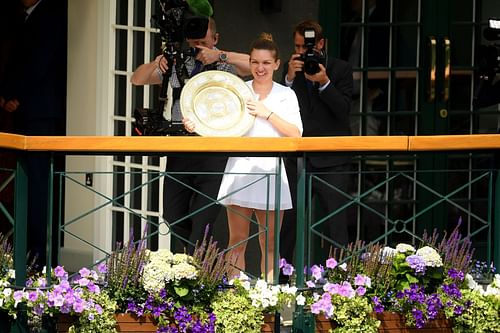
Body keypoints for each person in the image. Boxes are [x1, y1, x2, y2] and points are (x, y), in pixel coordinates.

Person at [184, 33, 303, 280]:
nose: (260, 68)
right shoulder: (238, 90)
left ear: (277, 64)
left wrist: (266, 112)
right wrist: (195, 124)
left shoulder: (285, 94)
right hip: (240, 167)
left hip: (271, 170)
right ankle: (234, 300)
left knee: (269, 242)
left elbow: (295, 134)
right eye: (256, 62)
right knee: (237, 240)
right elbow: (216, 124)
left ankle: (269, 300)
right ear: (249, 63)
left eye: (266, 63)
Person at [131, 16, 250, 254]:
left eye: (204, 43)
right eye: (195, 43)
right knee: (173, 215)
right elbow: (137, 79)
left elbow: (254, 65)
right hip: (181, 147)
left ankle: (195, 273)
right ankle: (184, 267)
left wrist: (219, 55)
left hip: (214, 150)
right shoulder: (180, 63)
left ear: (215, 39)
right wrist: (158, 62)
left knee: (203, 218)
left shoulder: (225, 62)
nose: (199, 49)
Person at [280, 20, 353, 268]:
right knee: (287, 223)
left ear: (320, 44)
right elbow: (281, 107)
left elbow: (343, 111)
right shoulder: (293, 71)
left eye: (307, 46)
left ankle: (340, 283)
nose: (302, 52)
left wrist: (324, 82)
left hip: (333, 160)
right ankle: (283, 280)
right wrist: (289, 78)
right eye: (298, 46)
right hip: (297, 158)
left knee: (336, 225)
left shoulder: (340, 69)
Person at [0, 0, 67, 268]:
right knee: (28, 181)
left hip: (41, 113)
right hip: (27, 112)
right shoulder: (25, 17)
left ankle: (40, 256)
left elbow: (40, 63)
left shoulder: (49, 16)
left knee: (40, 184)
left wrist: (15, 94)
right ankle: (26, 251)